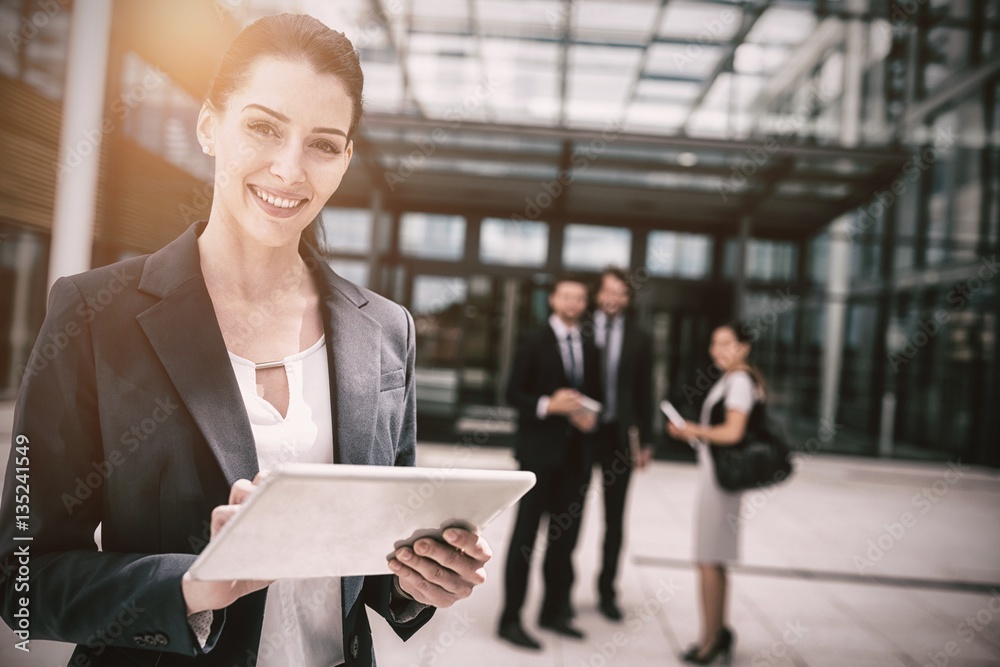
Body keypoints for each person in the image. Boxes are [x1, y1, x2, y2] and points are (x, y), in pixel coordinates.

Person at [0, 14, 490, 666]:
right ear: (209, 125)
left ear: (345, 160)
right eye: (263, 127)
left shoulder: (385, 330)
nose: (289, 169)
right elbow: (22, 578)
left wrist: (421, 579)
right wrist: (193, 584)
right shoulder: (94, 314)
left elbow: (375, 557)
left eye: (322, 143)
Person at [497, 275, 601, 650]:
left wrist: (591, 416)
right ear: (554, 299)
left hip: (576, 457)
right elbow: (513, 393)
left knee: (565, 540)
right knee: (525, 538)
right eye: (567, 295)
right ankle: (510, 619)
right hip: (538, 456)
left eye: (580, 297)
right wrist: (548, 405)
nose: (573, 302)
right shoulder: (532, 340)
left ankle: (553, 611)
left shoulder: (591, 345)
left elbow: (597, 395)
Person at [667, 322, 763, 665]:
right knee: (713, 559)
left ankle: (710, 642)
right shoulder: (731, 379)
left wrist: (694, 429)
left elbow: (734, 432)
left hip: (720, 485)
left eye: (727, 343)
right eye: (714, 342)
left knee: (708, 560)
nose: (718, 350)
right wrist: (693, 434)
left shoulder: (738, 381)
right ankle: (716, 634)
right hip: (715, 478)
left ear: (744, 347)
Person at [587, 267, 653, 621]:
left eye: (621, 293)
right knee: (572, 516)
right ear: (598, 293)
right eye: (608, 290)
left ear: (628, 299)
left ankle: (607, 591)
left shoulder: (640, 337)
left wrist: (647, 441)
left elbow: (646, 390)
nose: (613, 298)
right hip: (583, 434)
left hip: (619, 437)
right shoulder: (581, 328)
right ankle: (560, 595)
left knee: (615, 520)